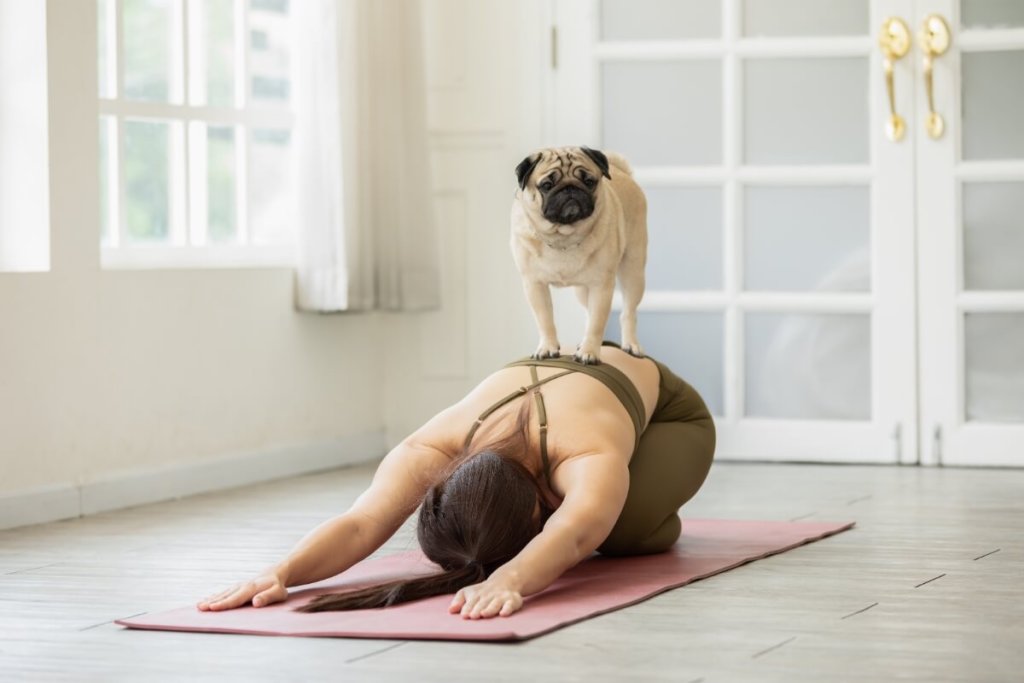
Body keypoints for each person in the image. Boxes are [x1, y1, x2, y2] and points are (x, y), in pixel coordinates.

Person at [197, 342, 715, 620]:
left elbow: (578, 531)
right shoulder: (434, 448)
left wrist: (510, 577)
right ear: (441, 485)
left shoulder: (583, 450)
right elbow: (361, 523)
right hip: (578, 383)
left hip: (670, 415)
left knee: (620, 530)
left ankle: (652, 516)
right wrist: (282, 572)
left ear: (539, 511)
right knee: (599, 506)